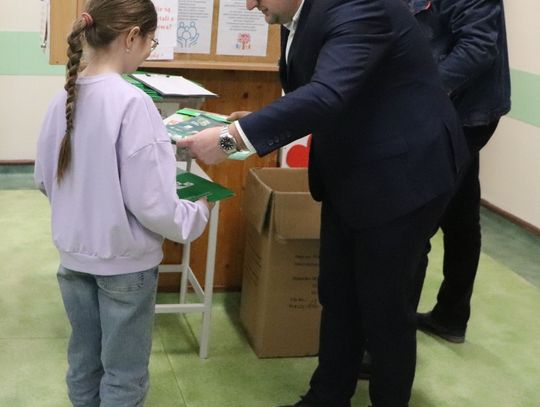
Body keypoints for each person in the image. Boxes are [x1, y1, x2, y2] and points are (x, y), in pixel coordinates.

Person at [179, 0, 469, 406]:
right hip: (353, 169)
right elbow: (321, 87)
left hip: (403, 175)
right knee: (337, 293)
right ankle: (327, 397)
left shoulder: (359, 5)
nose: (249, 4)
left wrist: (233, 139)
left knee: (384, 310)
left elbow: (327, 94)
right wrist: (257, 120)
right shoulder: (296, 13)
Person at [34, 1, 211, 405]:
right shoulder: (133, 103)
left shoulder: (62, 98)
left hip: (73, 260)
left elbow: (44, 179)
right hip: (126, 267)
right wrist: (197, 211)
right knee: (125, 374)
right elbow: (153, 205)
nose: (149, 50)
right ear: (132, 36)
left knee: (84, 363)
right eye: (151, 42)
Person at [409, 0, 511, 343]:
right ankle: (451, 316)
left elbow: (477, 47)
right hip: (448, 106)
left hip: (466, 113)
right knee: (460, 214)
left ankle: (388, 345)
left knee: (414, 221)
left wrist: (416, 95)